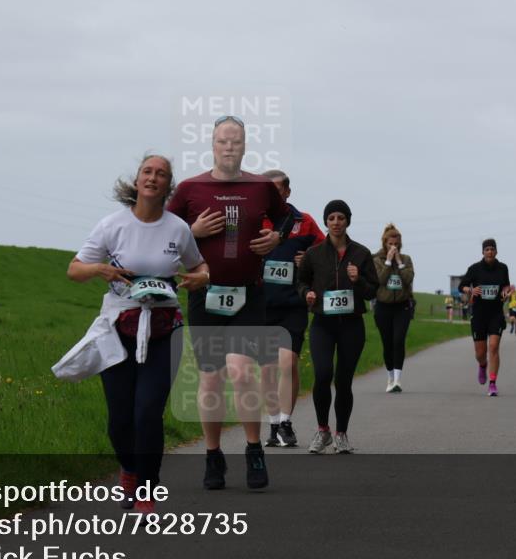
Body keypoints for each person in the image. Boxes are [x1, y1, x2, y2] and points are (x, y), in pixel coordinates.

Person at [59, 154, 208, 513]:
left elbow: (199, 265)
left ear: (168, 185)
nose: (153, 178)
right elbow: (74, 270)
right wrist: (100, 269)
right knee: (120, 420)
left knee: (148, 413)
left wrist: (201, 278)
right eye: (147, 172)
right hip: (118, 330)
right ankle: (128, 468)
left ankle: (146, 491)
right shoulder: (112, 225)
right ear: (137, 180)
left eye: (161, 174)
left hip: (164, 329)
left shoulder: (178, 229)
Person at [166, 116, 287, 490]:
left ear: (245, 146)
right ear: (212, 145)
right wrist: (192, 231)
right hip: (204, 294)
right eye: (223, 141)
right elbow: (162, 233)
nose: (229, 147)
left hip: (248, 294)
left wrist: (276, 239)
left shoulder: (261, 187)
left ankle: (254, 450)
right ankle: (213, 455)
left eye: (236, 141)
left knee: (241, 371)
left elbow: (286, 219)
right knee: (211, 378)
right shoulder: (190, 188)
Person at [297, 200, 379, 453]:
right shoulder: (313, 254)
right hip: (322, 324)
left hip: (351, 325)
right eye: (331, 218)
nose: (336, 222)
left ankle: (341, 433)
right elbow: (301, 282)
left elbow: (372, 291)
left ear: (348, 221)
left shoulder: (361, 253)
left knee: (343, 381)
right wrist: (307, 294)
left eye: (341, 218)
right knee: (322, 375)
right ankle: (323, 431)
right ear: (326, 221)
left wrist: (358, 280)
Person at [259, 170, 325, 447]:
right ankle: (273, 425)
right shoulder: (254, 220)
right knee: (267, 369)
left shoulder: (304, 221)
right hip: (261, 304)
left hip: (293, 303)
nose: (273, 196)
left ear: (287, 192)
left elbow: (326, 253)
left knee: (288, 362)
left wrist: (308, 257)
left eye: (277, 190)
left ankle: (286, 422)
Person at [458, 238, 513, 397]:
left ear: (496, 251)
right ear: (483, 252)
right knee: (480, 353)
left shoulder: (503, 268)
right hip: (479, 315)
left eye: (492, 249)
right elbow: (461, 286)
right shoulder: (474, 269)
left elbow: (506, 285)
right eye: (487, 249)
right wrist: (470, 290)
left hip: (496, 313)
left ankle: (493, 383)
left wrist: (506, 292)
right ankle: (483, 365)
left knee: (494, 347)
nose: (490, 252)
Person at [373, 223, 415, 393]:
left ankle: (397, 380)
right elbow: (379, 281)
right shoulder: (376, 260)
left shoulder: (406, 259)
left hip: (402, 307)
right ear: (385, 243)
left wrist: (399, 262)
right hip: (383, 307)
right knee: (387, 343)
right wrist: (388, 262)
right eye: (390, 244)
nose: (393, 247)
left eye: (396, 244)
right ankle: (390, 377)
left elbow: (408, 279)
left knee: (398, 341)